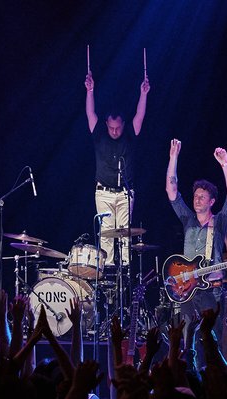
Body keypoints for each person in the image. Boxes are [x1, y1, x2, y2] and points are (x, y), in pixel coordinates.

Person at [165, 139, 227, 364]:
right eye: (195, 196)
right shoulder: (188, 219)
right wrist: (173, 157)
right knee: (187, 344)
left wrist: (225, 164)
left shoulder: (220, 223)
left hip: (212, 293)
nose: (196, 199)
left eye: (202, 197)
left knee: (209, 344)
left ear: (212, 201)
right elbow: (171, 190)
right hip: (187, 291)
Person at [85, 68, 149, 265]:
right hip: (103, 192)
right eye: (111, 128)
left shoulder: (130, 134)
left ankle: (126, 272)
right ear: (106, 124)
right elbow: (90, 112)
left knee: (124, 233)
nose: (114, 131)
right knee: (106, 234)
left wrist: (143, 93)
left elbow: (140, 115)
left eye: (118, 128)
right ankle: (109, 271)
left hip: (124, 193)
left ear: (123, 124)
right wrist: (90, 91)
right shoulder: (99, 134)